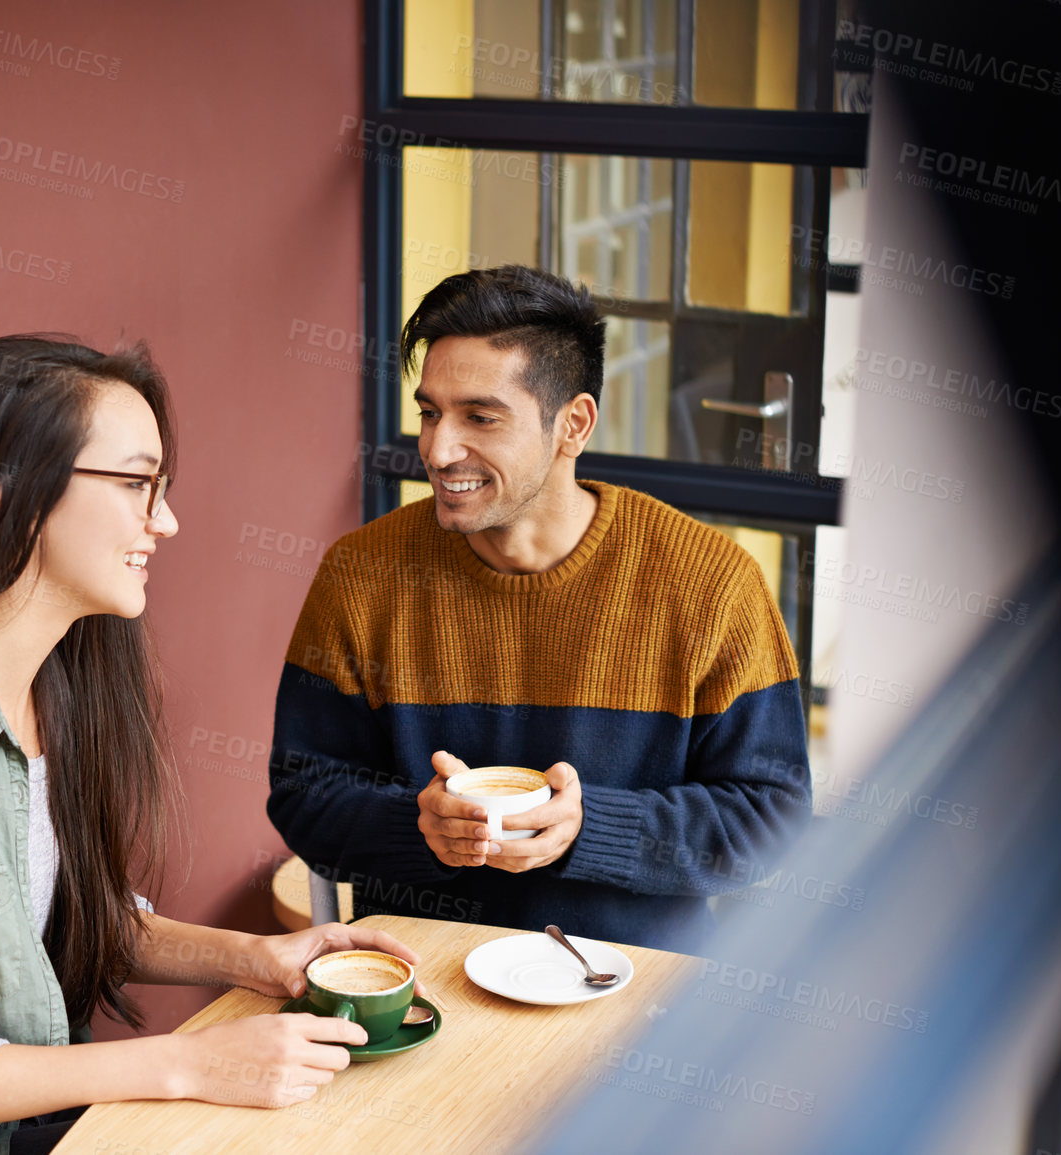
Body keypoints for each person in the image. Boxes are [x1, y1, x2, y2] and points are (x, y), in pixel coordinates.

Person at [0, 335, 416, 1154]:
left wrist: (258, 958)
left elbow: (65, 917)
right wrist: (187, 1063)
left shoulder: (53, 676)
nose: (164, 521)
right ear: (10, 491)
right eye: (137, 484)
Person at [266, 267, 813, 952]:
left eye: (480, 417)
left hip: (629, 990)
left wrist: (590, 829)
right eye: (429, 411)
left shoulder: (710, 582)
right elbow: (302, 791)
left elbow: (774, 817)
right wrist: (419, 825)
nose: (436, 449)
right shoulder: (361, 574)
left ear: (572, 425)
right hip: (424, 977)